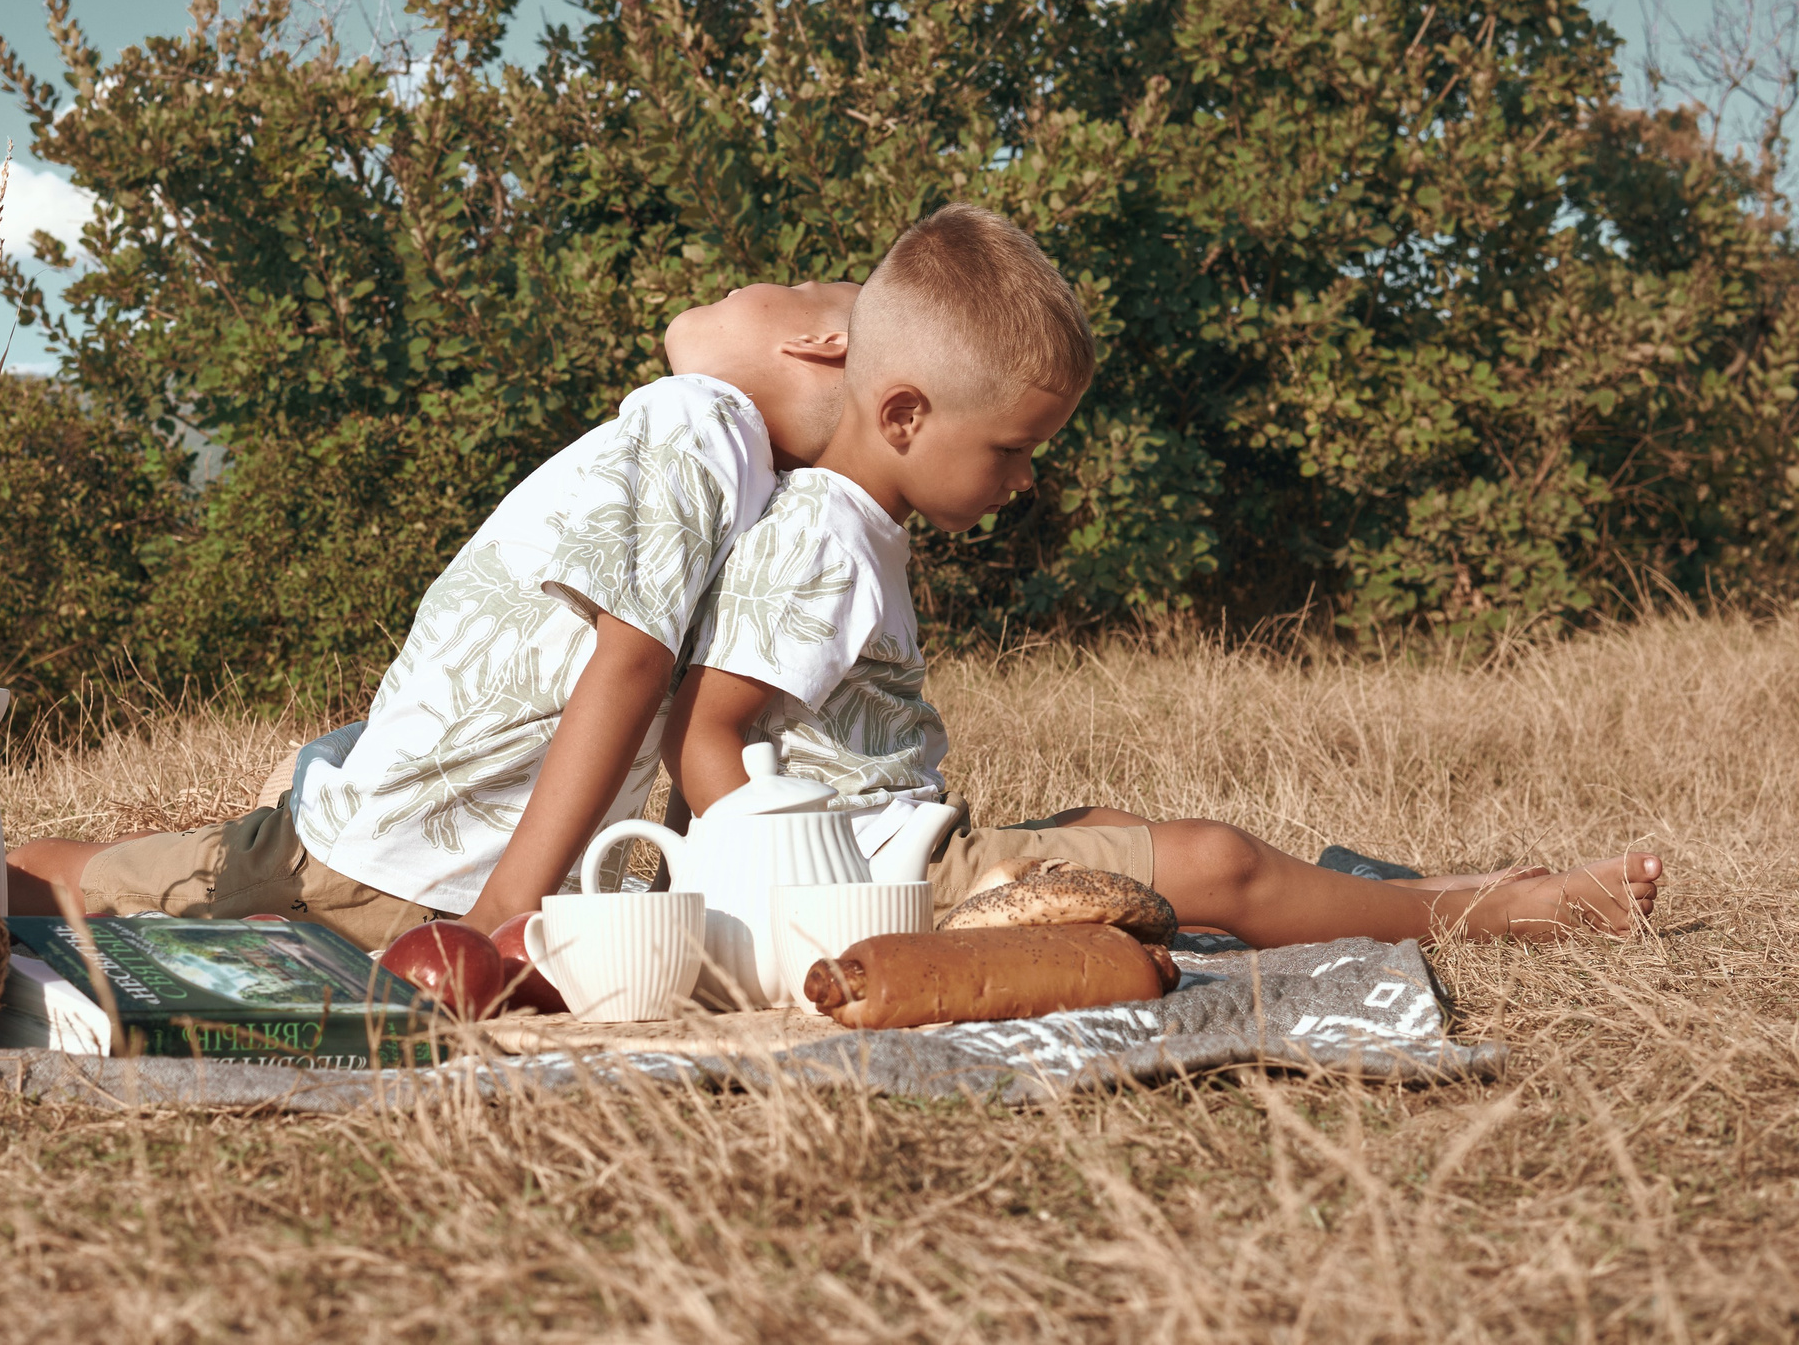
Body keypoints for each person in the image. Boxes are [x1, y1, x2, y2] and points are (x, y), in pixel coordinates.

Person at [664, 204, 1663, 943]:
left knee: (1107, 828)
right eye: (1011, 450)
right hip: (866, 889)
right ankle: (1502, 914)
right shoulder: (819, 538)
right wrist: (790, 902)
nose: (1024, 480)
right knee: (1212, 863)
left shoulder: (857, 522)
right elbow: (700, 727)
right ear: (905, 416)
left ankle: (1439, 891)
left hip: (912, 845)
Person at [7, 276, 862, 949]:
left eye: (777, 283)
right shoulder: (776, 504)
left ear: (823, 340)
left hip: (381, 862)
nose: (736, 289)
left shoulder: (701, 417)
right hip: (423, 856)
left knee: (45, 880)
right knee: (208, 836)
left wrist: (501, 914)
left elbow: (633, 662)